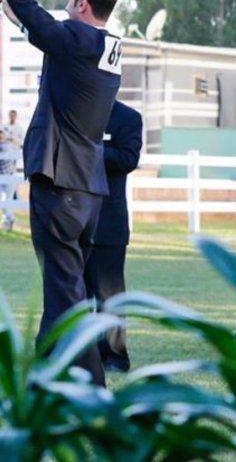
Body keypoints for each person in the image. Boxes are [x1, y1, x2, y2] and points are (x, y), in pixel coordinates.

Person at [0, 0, 122, 386]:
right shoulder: (105, 49)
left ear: (83, 4)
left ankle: (92, 389)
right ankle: (44, 377)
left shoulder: (78, 41)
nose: (65, 1)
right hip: (87, 192)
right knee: (63, 288)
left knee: (65, 292)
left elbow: (31, 8)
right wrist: (19, 19)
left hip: (61, 185)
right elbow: (52, 40)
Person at [83, 101, 142, 373]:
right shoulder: (73, 111)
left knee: (110, 297)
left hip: (108, 223)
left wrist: (86, 149)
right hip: (71, 221)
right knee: (73, 295)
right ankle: (79, 356)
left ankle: (114, 357)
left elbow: (128, 159)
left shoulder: (127, 118)